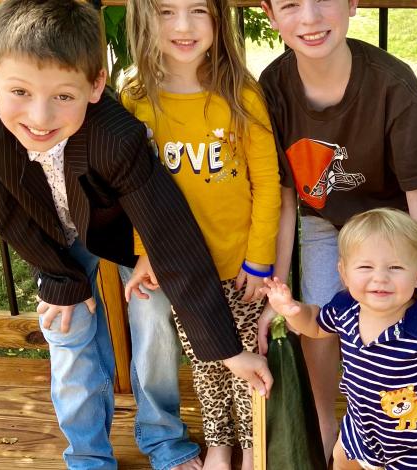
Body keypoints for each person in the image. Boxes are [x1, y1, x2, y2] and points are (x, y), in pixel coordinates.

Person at [0, 1, 272, 469]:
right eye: (20, 91)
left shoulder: (117, 134)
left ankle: (163, 439)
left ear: (96, 86)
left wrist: (229, 352)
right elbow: (1, 206)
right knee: (67, 334)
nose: (40, 115)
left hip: (121, 229)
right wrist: (61, 279)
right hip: (48, 240)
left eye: (63, 97)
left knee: (152, 322)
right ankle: (88, 456)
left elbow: (171, 234)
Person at [257, 0, 417, 463]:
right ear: (268, 13)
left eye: (324, 0)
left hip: (392, 222)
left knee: (413, 329)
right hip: (324, 222)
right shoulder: (274, 85)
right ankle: (328, 422)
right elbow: (285, 198)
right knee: (318, 322)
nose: (310, 17)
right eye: (290, 4)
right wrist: (276, 294)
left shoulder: (392, 84)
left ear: (351, 3)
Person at [121, 0, 280, 468]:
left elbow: (267, 182)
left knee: (247, 358)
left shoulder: (241, 95)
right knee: (208, 364)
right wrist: (145, 252)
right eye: (166, 12)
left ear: (218, 20)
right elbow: (129, 188)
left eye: (198, 11)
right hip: (182, 269)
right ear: (144, 18)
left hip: (239, 263)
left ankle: (252, 447)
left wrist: (260, 259)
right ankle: (219, 444)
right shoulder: (135, 98)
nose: (184, 27)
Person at [264, 208, 417, 470]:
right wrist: (294, 311)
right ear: (343, 273)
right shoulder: (345, 310)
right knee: (341, 459)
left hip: (411, 442)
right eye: (366, 267)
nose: (380, 277)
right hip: (359, 429)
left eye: (395, 267)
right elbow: (314, 324)